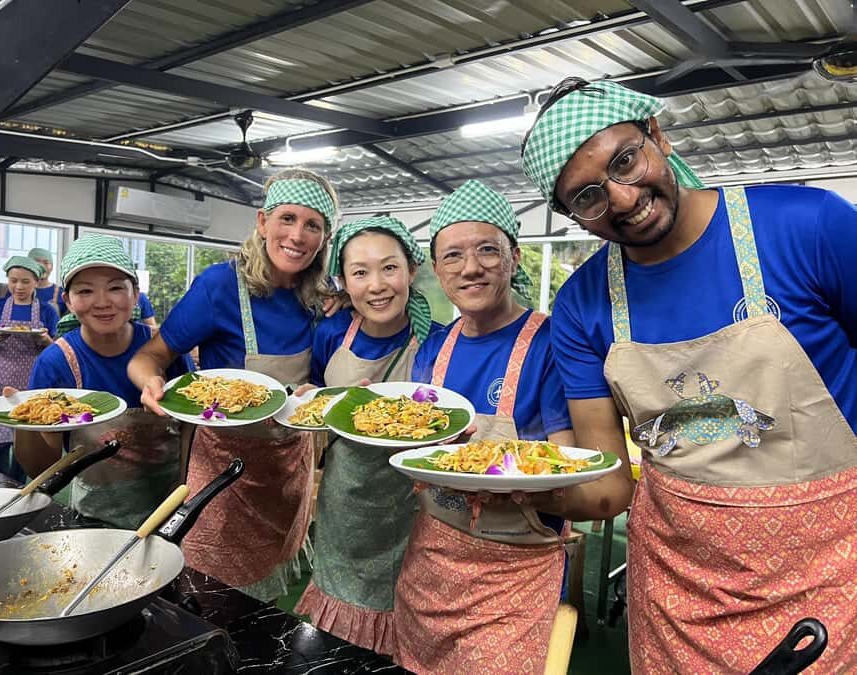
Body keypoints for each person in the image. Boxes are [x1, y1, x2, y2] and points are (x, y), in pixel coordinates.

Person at [520, 77, 857, 673]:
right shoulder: (582, 305)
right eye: (589, 197)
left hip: (832, 573)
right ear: (572, 215)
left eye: (625, 161)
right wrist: (506, 485)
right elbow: (607, 487)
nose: (622, 198)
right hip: (680, 593)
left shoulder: (810, 226)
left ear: (657, 134)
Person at [392, 180, 622, 674]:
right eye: (453, 256)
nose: (470, 268)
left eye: (487, 251)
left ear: (515, 258)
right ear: (437, 269)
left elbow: (577, 477)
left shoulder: (550, 344)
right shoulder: (434, 348)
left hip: (513, 575)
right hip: (430, 561)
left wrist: (510, 482)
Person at [128, 168, 338, 601]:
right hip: (222, 472)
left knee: (268, 600)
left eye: (313, 225)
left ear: (324, 238)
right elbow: (149, 357)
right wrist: (151, 382)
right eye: (287, 218)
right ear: (263, 222)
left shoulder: (325, 298)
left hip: (288, 469)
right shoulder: (219, 286)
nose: (297, 235)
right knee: (212, 595)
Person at [294, 216, 437, 655]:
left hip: (413, 506)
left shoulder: (437, 342)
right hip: (345, 503)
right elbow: (319, 396)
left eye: (389, 268)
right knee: (336, 642)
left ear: (412, 270)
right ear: (343, 281)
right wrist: (309, 398)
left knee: (403, 632)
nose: (376, 285)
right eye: (359, 272)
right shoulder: (331, 332)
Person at [13, 234, 192, 528]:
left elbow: (189, 430)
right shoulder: (56, 363)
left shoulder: (165, 350)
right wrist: (22, 421)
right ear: (68, 300)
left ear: (136, 294)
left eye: (115, 288)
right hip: (93, 519)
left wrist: (185, 490)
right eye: (85, 291)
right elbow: (43, 468)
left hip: (170, 513)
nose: (102, 302)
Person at [0, 256, 58, 481]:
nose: (18, 287)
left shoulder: (47, 311)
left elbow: (55, 350)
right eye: (13, 281)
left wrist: (45, 340)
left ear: (36, 282)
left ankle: (17, 488)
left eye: (25, 281)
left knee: (24, 442)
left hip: (29, 381)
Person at [27, 247, 61, 312]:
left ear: (52, 266)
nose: (42, 267)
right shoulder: (17, 290)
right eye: (37, 262)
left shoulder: (61, 293)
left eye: (46, 263)